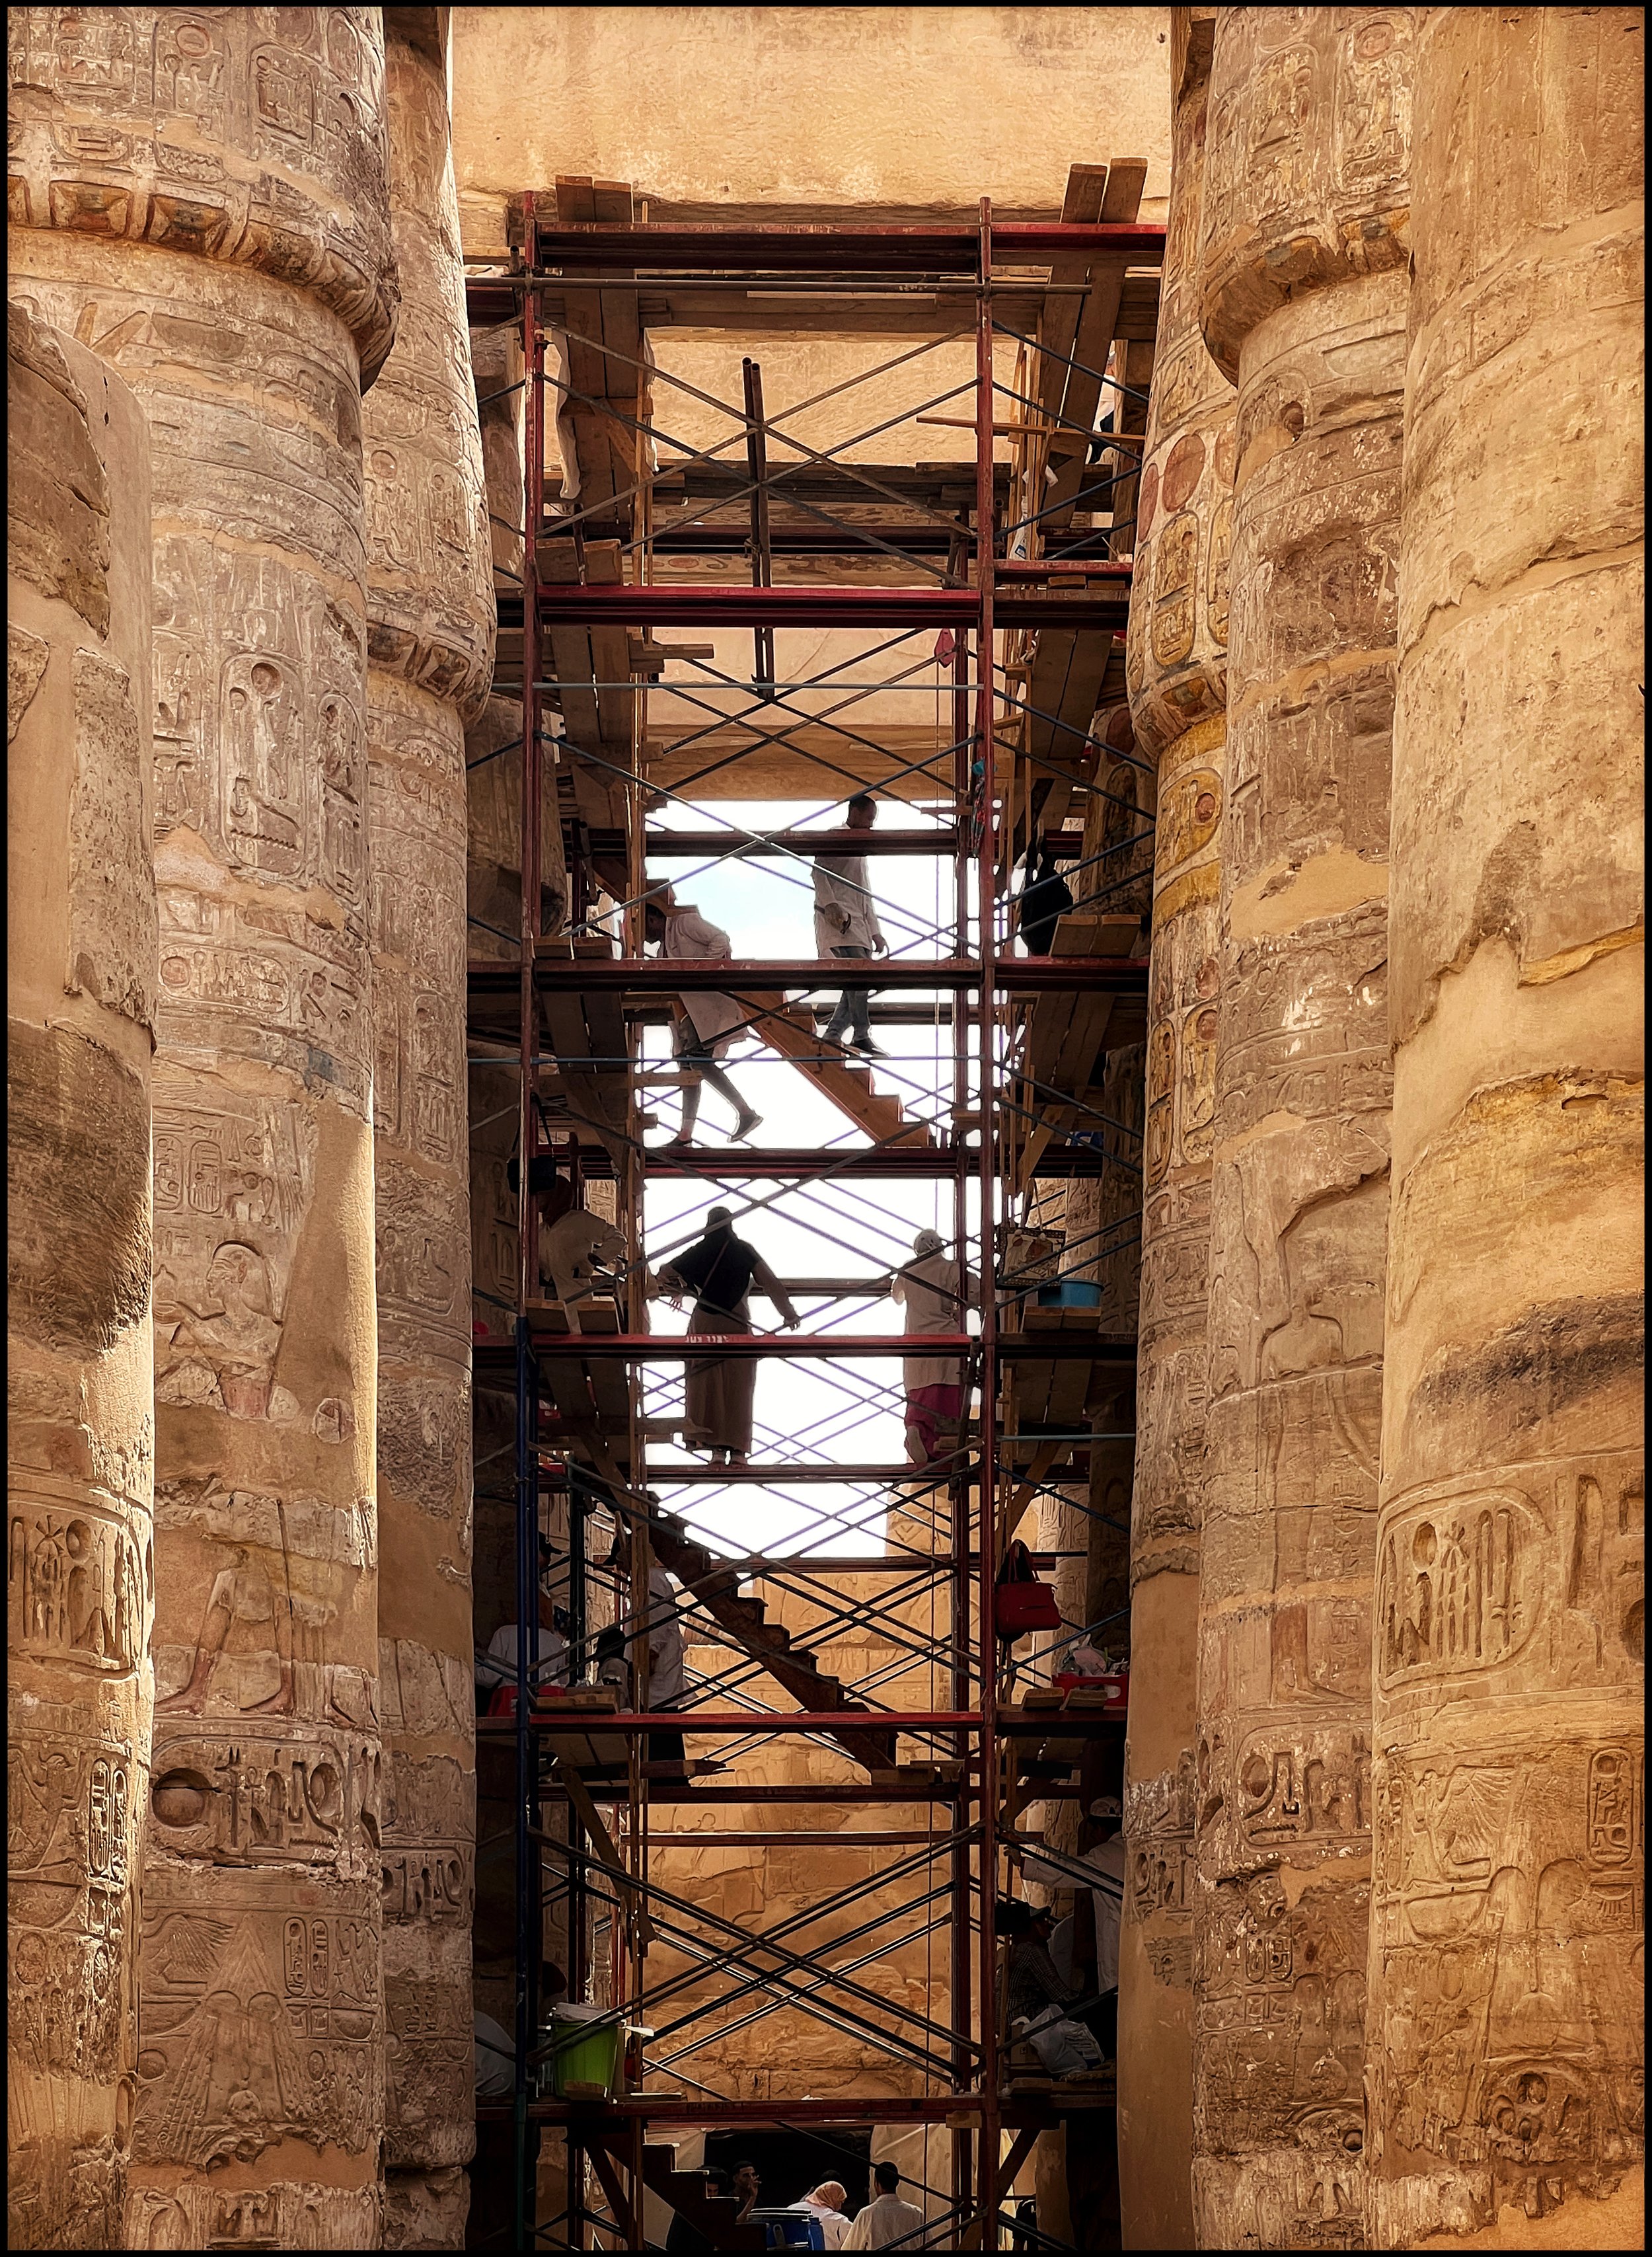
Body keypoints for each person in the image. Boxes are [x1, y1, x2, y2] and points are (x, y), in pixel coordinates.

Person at [657, 1206, 800, 1468]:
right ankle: (737, 1453)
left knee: (707, 1387)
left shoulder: (700, 1250)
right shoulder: (743, 1249)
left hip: (704, 1325)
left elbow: (664, 1273)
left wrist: (683, 1291)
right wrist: (788, 1314)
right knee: (738, 1388)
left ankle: (714, 1452)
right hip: (736, 1323)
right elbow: (771, 1283)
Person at [648, 888, 762, 1145]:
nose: (644, 936)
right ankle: (686, 1134)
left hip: (707, 1008)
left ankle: (746, 1112)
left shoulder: (684, 923)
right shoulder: (662, 950)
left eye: (645, 928)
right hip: (688, 1016)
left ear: (653, 919)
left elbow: (720, 939)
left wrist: (703, 972)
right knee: (687, 1066)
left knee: (696, 1061)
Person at [603, 1535, 691, 1777]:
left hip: (657, 1674)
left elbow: (658, 1622)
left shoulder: (651, 1578)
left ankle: (669, 1779)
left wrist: (649, 1657)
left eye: (620, 1561)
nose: (620, 1568)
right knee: (656, 1729)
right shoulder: (644, 1580)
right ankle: (665, 1777)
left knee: (661, 1728)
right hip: (651, 1675)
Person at [890, 1229, 977, 1469]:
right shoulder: (950, 1268)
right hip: (947, 1341)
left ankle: (915, 1428)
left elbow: (896, 1296)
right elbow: (977, 1292)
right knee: (947, 1400)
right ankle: (944, 1452)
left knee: (920, 1397)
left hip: (917, 1343)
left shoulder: (908, 1270)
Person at [813, 792, 889, 1055]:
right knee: (859, 979)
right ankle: (861, 1033)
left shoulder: (861, 850)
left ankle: (834, 1033)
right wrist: (831, 906)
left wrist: (876, 932)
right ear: (854, 812)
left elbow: (865, 894)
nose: (870, 824)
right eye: (868, 818)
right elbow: (819, 871)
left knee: (857, 983)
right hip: (839, 924)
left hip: (860, 927)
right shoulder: (836, 835)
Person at [842, 2161, 926, 2250]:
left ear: (876, 2183)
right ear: (897, 2182)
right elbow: (931, 2246)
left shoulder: (867, 2214)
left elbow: (850, 2248)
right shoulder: (916, 2213)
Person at [1016, 838, 1074, 956]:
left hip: (1041, 921)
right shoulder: (1033, 941)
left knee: (1035, 895)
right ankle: (1038, 867)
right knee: (1037, 893)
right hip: (1044, 921)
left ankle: (1038, 867)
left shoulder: (1033, 941)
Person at [790, 2182, 852, 2250]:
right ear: (833, 2198)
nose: (840, 2208)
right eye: (840, 2202)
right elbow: (856, 2241)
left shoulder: (791, 2208)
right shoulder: (839, 2220)